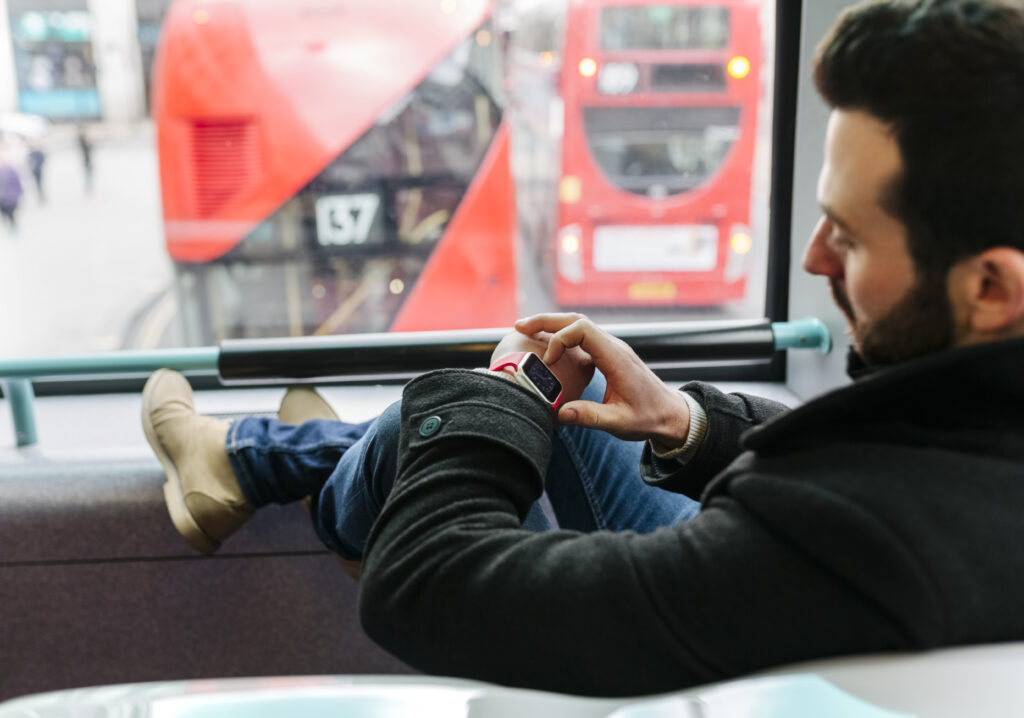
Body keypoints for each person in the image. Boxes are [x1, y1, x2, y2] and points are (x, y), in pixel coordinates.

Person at [141, 0, 1024, 698]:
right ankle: (258, 460)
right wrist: (686, 423)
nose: (811, 258)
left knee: (466, 404)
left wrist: (506, 395)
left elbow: (426, 589)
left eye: (850, 237)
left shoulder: (853, 546)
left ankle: (278, 474)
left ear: (991, 289)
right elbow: (895, 452)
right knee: (559, 409)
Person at [0, 153, 24, 234]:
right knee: (4, 211)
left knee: (11, 212)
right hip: (2, 198)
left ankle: (13, 225)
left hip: (10, 196)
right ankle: (8, 222)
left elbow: (17, 182)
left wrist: (20, 192)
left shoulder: (11, 170)